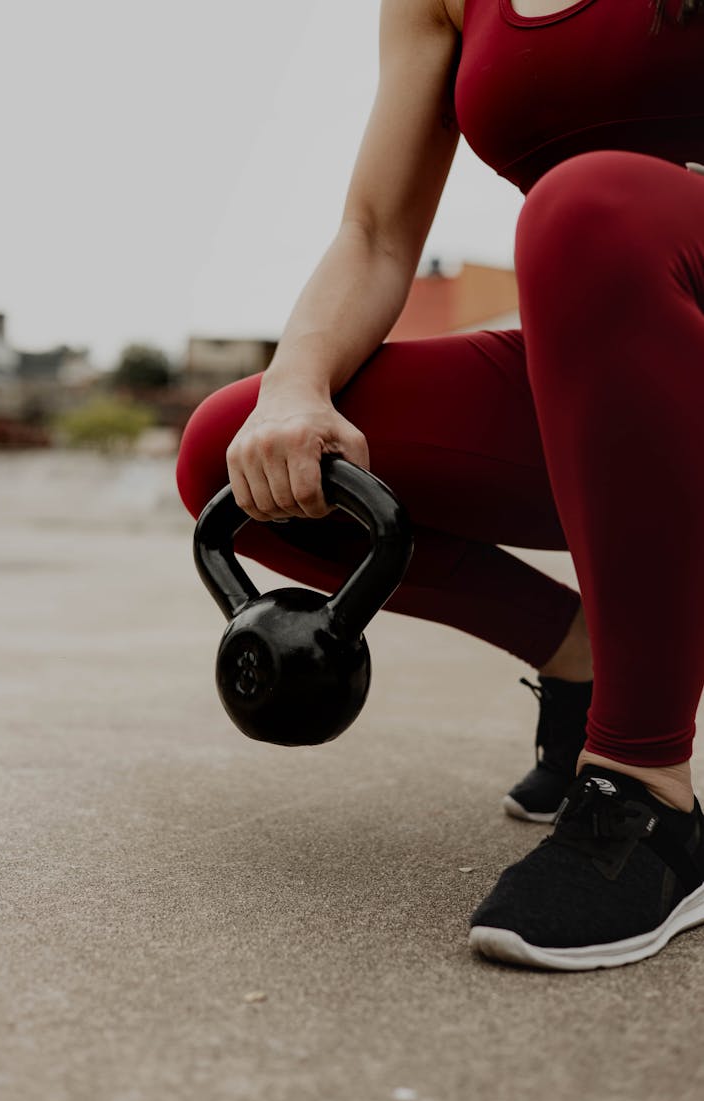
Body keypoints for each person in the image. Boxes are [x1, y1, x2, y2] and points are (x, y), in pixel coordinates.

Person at [177, 0, 704, 969]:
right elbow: (376, 233)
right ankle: (585, 657)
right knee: (232, 456)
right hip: (614, 356)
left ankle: (646, 790)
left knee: (586, 208)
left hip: (651, 269)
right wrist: (296, 386)